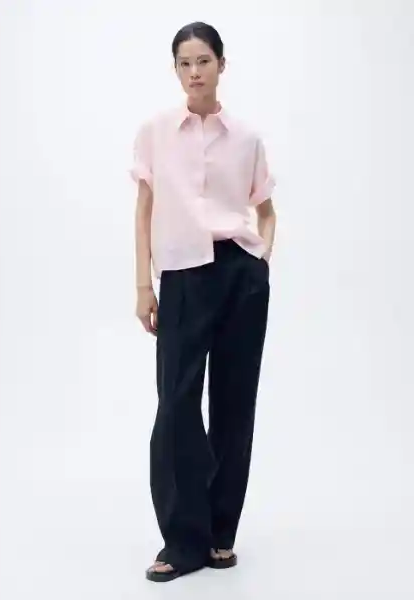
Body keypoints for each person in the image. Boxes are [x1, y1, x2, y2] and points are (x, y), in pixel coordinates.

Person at [130, 21, 277, 583]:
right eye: (185, 63)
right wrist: (143, 285)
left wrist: (260, 262)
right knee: (176, 407)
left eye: (204, 61)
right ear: (175, 69)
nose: (194, 72)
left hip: (240, 275)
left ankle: (219, 534)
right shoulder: (155, 132)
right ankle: (181, 539)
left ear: (221, 65)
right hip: (182, 276)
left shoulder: (246, 137)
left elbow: (265, 209)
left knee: (235, 405)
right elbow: (144, 209)